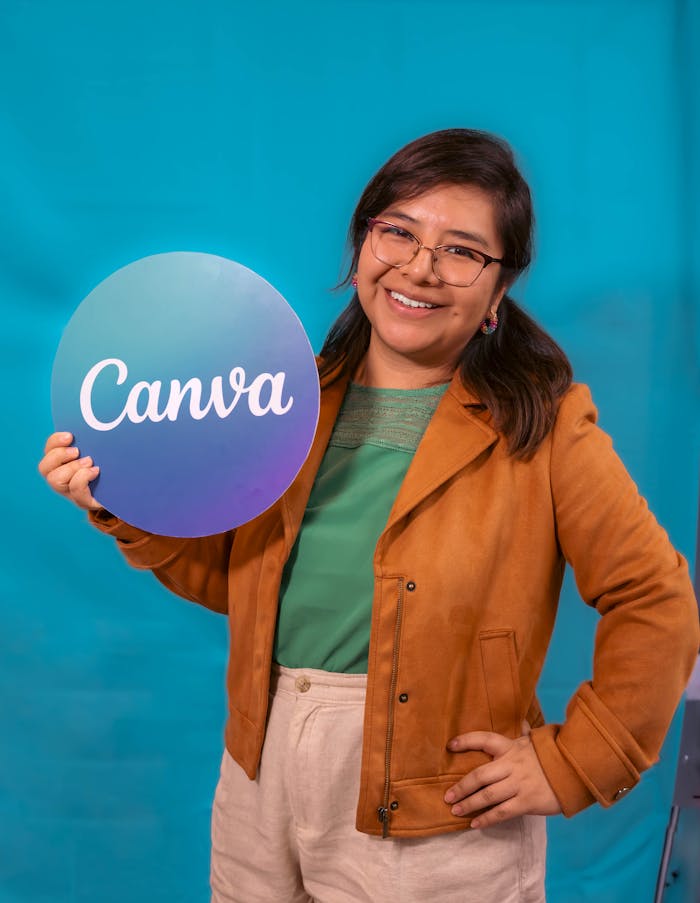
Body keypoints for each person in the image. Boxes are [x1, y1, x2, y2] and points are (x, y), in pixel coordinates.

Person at [40, 128, 699, 903]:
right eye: (399, 231)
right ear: (362, 243)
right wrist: (127, 505)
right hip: (260, 775)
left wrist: (576, 759)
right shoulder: (288, 399)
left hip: (436, 813)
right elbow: (236, 579)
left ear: (500, 286)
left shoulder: (543, 425)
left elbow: (656, 600)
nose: (420, 267)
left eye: (462, 250)